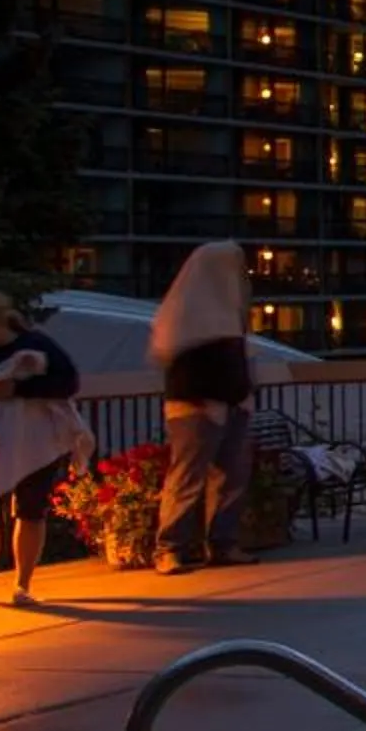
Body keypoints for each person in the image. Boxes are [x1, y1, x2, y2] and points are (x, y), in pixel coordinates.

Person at [0, 292, 87, 608]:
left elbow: (68, 383)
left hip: (36, 440)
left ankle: (23, 583)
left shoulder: (36, 345)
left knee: (30, 509)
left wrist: (19, 389)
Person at [150, 242, 257, 574]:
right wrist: (201, 398)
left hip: (233, 401)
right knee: (187, 477)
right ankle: (169, 548)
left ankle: (222, 543)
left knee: (231, 477)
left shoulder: (226, 307)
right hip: (196, 407)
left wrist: (242, 395)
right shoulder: (186, 309)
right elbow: (176, 362)